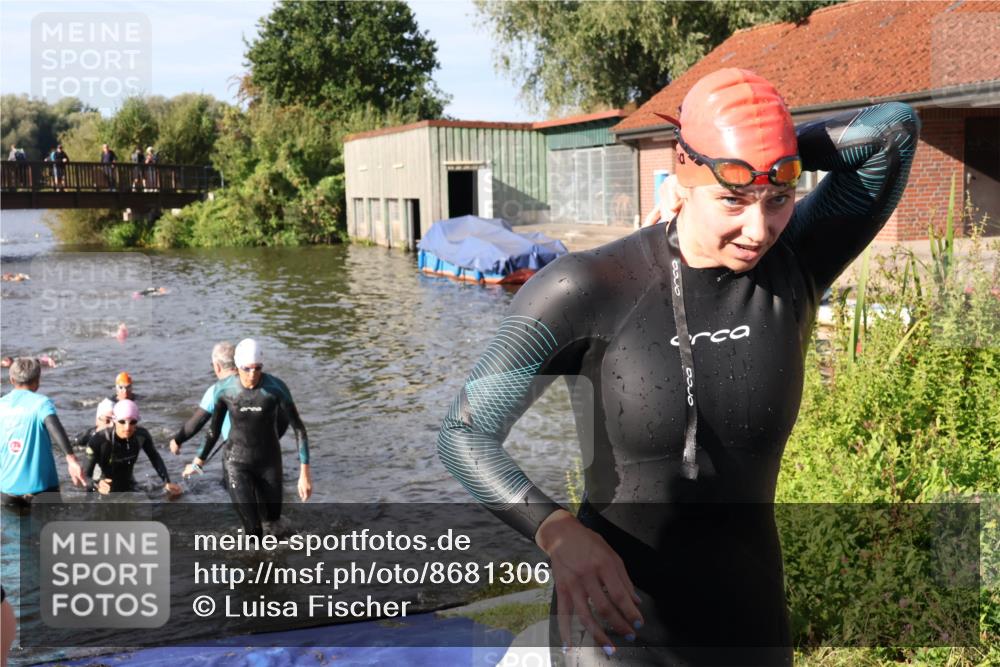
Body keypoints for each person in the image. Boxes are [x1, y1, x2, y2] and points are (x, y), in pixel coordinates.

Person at [437, 67, 918, 665]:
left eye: (779, 199)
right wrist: (556, 532)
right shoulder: (589, 286)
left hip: (750, 627)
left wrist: (774, 152)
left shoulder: (793, 266)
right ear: (684, 174)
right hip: (612, 630)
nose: (758, 228)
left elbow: (892, 131)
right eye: (732, 199)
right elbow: (465, 434)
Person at [183, 339, 311, 537]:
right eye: (247, 369)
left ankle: (275, 566)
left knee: (274, 525)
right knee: (254, 531)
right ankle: (254, 566)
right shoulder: (224, 390)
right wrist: (198, 461)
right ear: (237, 366)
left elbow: (299, 429)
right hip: (236, 463)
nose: (253, 375)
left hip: (269, 463)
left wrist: (304, 475)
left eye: (257, 368)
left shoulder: (275, 389)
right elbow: (213, 430)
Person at [0, 358, 88, 504]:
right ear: (37, 381)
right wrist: (71, 459)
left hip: (7, 489)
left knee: (12, 527)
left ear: (11, 380)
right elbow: (54, 426)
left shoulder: (1, 405)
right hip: (42, 489)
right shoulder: (41, 403)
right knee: (50, 527)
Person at [84, 399, 181, 497]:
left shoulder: (142, 436)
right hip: (102, 488)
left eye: (132, 422)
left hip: (129, 485)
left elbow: (155, 458)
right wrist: (97, 484)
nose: (127, 427)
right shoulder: (99, 440)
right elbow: (84, 476)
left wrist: (167, 482)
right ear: (114, 421)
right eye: (122, 422)